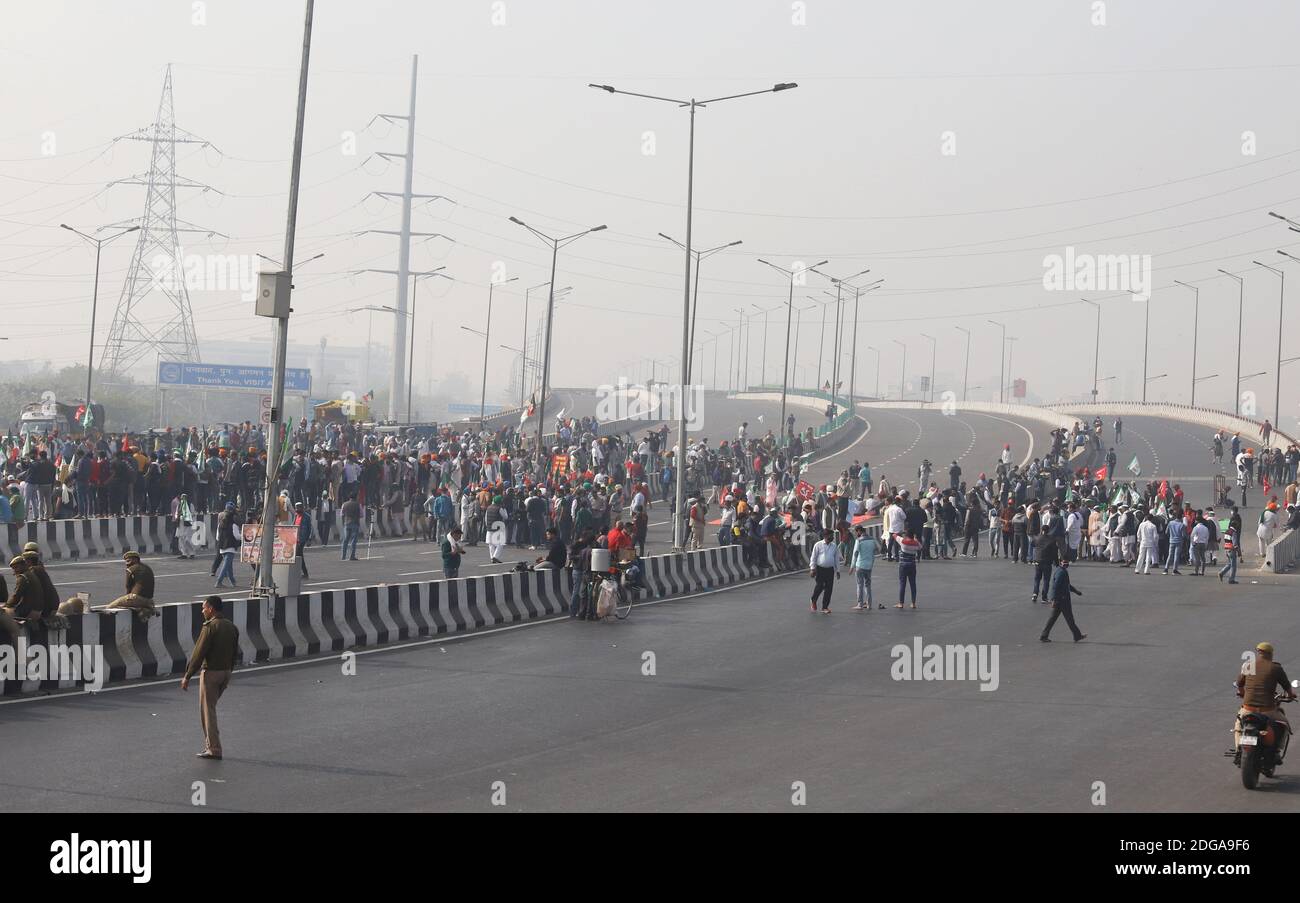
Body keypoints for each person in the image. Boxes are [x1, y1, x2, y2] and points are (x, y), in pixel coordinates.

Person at [181, 595, 240, 760]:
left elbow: (198, 654)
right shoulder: (231, 627)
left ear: (211, 609)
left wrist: (187, 676)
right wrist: (229, 670)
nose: (202, 611)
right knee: (211, 708)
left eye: (204, 607)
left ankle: (213, 749)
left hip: (212, 673)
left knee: (208, 712)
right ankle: (212, 746)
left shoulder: (210, 627)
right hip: (226, 673)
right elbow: (235, 653)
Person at [1229, 641, 1295, 760]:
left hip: (1248, 709)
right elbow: (1287, 686)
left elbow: (1239, 684)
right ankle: (1277, 751)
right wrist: (1291, 695)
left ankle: (1239, 748)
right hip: (1267, 711)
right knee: (1285, 725)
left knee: (1238, 726)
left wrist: (1243, 693)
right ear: (1270, 654)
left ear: (1258, 653)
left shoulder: (1249, 665)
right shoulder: (1276, 668)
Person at [1040, 556, 1085, 643]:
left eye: (1067, 562)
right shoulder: (1061, 572)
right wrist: (1053, 599)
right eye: (1064, 562)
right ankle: (1077, 636)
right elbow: (1055, 587)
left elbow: (1067, 585)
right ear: (1060, 562)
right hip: (1062, 600)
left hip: (1060, 600)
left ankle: (1044, 635)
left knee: (1052, 619)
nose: (1066, 564)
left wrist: (1076, 591)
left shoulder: (1061, 570)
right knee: (1069, 619)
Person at [106, 551, 157, 617]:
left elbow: (128, 586)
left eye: (129, 560)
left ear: (136, 559)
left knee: (109, 607)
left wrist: (127, 598)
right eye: (126, 561)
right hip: (150, 600)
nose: (127, 563)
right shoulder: (147, 567)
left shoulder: (131, 569)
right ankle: (144, 609)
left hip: (137, 598)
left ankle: (139, 609)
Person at [808, 528, 841, 614]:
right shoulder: (818, 545)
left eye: (832, 536)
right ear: (825, 536)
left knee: (829, 588)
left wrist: (838, 571)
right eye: (830, 536)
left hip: (830, 570)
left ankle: (825, 607)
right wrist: (812, 568)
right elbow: (813, 557)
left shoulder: (834, 546)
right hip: (820, 569)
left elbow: (836, 559)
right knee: (820, 586)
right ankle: (813, 599)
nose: (831, 537)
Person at [850, 524, 881, 611]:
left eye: (856, 532)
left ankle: (860, 604)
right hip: (869, 566)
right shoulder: (872, 539)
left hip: (860, 565)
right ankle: (869, 604)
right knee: (868, 585)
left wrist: (852, 566)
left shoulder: (858, 541)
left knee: (860, 585)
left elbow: (855, 554)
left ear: (859, 531)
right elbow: (878, 548)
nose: (856, 534)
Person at [895, 531, 922, 609]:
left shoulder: (903, 542)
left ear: (906, 536)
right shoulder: (916, 543)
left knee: (902, 584)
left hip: (903, 566)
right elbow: (921, 547)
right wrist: (916, 539)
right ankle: (913, 603)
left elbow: (894, 535)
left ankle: (901, 603)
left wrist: (901, 533)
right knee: (913, 584)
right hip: (912, 565)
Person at [339, 495, 361, 561]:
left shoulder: (344, 504)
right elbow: (361, 514)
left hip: (347, 523)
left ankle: (343, 556)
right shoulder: (358, 505)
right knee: (353, 540)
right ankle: (352, 556)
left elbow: (341, 514)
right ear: (355, 498)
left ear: (349, 498)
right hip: (355, 523)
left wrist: (344, 521)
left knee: (345, 540)